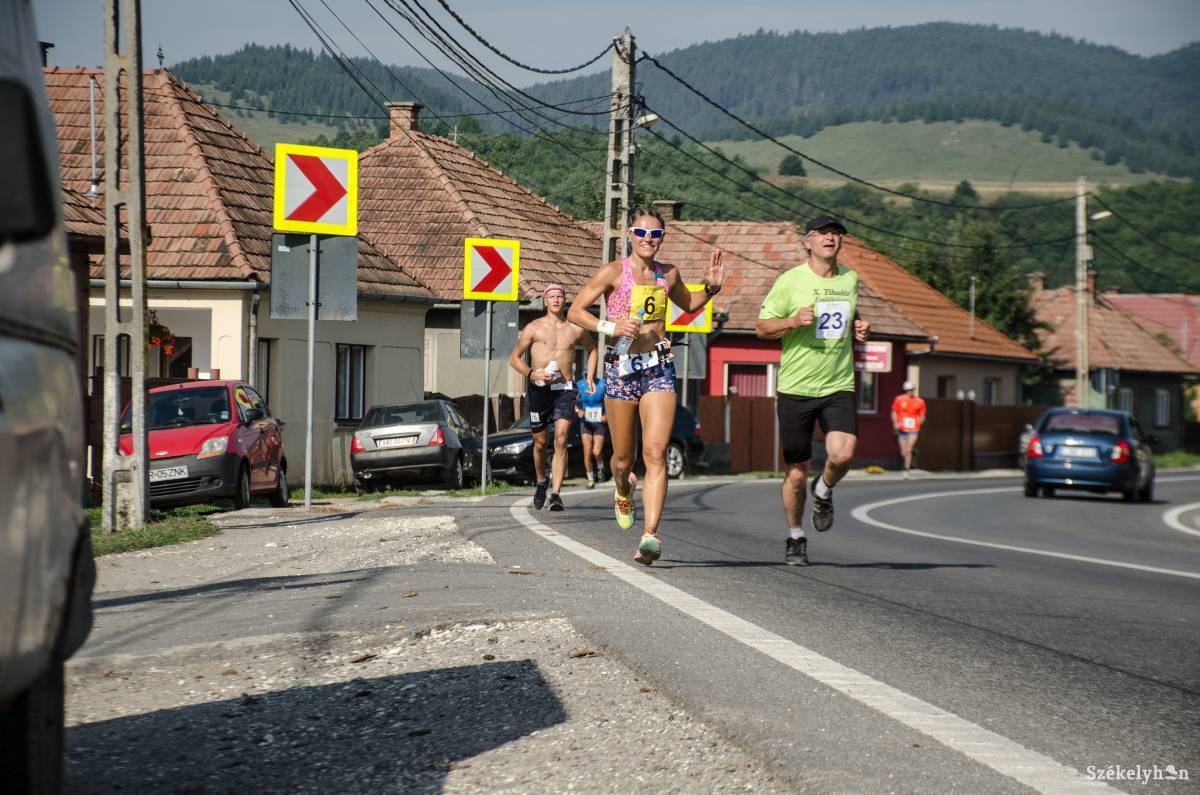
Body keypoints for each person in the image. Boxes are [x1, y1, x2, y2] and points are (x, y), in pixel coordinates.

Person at [568, 207, 725, 565]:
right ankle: (622, 487)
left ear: (662, 238)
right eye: (641, 233)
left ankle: (650, 536)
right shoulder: (612, 273)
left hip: (658, 368)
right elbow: (577, 310)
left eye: (655, 235)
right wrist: (611, 327)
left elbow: (688, 305)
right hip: (621, 369)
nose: (648, 240)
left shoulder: (668, 274)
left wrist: (712, 289)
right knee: (623, 458)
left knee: (655, 452)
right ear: (628, 236)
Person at [755, 215, 871, 566]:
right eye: (822, 234)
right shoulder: (790, 281)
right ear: (807, 242)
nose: (829, 239)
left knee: (843, 454)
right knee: (795, 472)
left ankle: (824, 490)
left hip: (837, 383)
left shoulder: (851, 280)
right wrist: (792, 321)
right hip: (796, 387)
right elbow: (761, 328)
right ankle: (795, 536)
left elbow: (847, 317)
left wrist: (860, 327)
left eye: (836, 235)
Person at [509, 284, 598, 511]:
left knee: (561, 437)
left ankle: (556, 494)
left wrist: (590, 377)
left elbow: (593, 349)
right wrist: (532, 373)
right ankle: (541, 481)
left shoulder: (575, 328)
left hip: (565, 390)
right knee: (540, 443)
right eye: (552, 297)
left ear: (565, 300)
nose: (556, 300)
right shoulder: (534, 328)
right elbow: (514, 359)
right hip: (539, 390)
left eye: (560, 296)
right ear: (545, 301)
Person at [575, 375, 607, 488]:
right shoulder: (580, 384)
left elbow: (610, 401)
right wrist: (577, 410)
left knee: (596, 452)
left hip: (599, 422)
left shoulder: (602, 384)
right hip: (585, 422)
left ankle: (600, 467)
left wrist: (607, 415)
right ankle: (590, 479)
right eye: (585, 374)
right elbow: (572, 400)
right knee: (587, 452)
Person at [891, 380, 926, 478]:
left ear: (914, 390)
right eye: (907, 390)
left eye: (911, 390)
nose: (909, 392)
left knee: (908, 449)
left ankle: (906, 471)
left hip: (913, 428)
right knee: (903, 452)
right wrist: (895, 423)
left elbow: (922, 414)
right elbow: (894, 412)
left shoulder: (920, 401)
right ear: (905, 390)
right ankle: (912, 454)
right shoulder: (899, 399)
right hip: (902, 428)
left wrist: (921, 420)